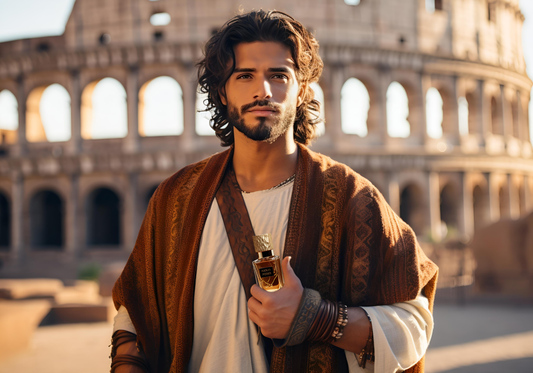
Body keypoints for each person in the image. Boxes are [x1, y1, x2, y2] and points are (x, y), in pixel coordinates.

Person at [110, 10, 438, 373]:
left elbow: (414, 326)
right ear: (222, 91)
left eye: (278, 75)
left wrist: (318, 318)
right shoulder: (176, 198)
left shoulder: (352, 198)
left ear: (302, 91)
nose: (262, 90)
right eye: (244, 75)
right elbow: (133, 315)